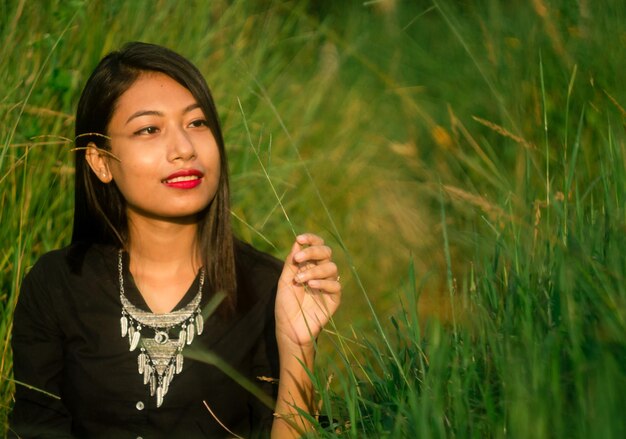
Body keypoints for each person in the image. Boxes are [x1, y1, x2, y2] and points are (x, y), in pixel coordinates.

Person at [10, 42, 341, 438]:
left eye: (197, 124)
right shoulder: (57, 285)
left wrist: (298, 347)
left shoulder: (266, 289)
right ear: (100, 162)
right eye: (149, 129)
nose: (184, 149)